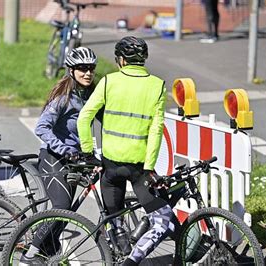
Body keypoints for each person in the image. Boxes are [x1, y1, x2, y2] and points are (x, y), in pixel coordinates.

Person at [77, 36, 174, 265]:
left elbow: (85, 118)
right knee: (163, 220)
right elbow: (156, 130)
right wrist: (150, 167)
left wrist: (89, 152)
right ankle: (133, 260)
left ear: (120, 60)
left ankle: (115, 255)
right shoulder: (157, 85)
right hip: (140, 168)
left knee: (115, 221)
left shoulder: (109, 82)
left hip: (110, 167)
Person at [20, 47, 98, 264]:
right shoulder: (64, 97)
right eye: (82, 68)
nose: (87, 73)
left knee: (66, 216)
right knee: (61, 208)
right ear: (71, 70)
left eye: (91, 68)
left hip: (74, 160)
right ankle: (28, 256)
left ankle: (46, 253)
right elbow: (41, 128)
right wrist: (66, 150)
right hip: (54, 157)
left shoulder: (91, 94)